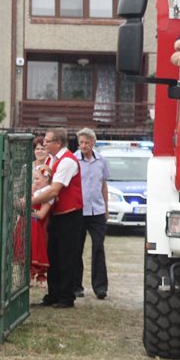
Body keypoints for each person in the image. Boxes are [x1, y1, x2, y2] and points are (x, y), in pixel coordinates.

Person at [32, 128, 84, 308]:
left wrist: (30, 202)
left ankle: (66, 296)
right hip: (57, 214)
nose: (44, 144)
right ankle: (53, 294)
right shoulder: (52, 160)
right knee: (53, 255)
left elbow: (54, 190)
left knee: (67, 256)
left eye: (47, 141)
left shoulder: (67, 161)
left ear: (58, 143)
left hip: (69, 214)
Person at [75, 128, 111, 300]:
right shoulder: (73, 160)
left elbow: (103, 185)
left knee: (98, 247)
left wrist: (106, 207)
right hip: (78, 210)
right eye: (81, 142)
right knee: (76, 249)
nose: (83, 145)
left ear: (93, 143)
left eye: (86, 142)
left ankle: (100, 287)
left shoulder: (101, 161)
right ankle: (76, 286)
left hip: (97, 210)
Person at [30, 165, 53, 285]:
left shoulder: (47, 193)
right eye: (34, 179)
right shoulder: (37, 190)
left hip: (39, 226)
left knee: (38, 249)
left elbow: (41, 215)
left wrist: (28, 209)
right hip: (31, 225)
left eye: (37, 179)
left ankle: (39, 274)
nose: (35, 182)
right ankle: (31, 274)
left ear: (46, 179)